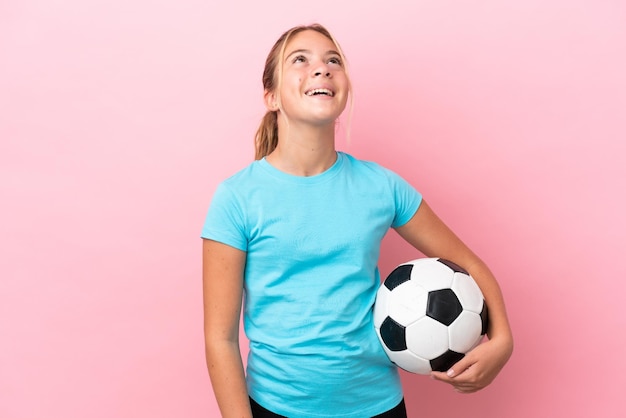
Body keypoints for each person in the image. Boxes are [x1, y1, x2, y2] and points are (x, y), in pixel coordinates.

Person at [202, 23, 513, 418]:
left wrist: (502, 339)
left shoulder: (381, 186)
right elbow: (220, 338)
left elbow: (467, 264)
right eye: (300, 60)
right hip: (275, 408)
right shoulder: (237, 199)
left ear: (343, 87)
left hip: (378, 406)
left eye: (333, 60)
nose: (322, 68)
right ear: (272, 96)